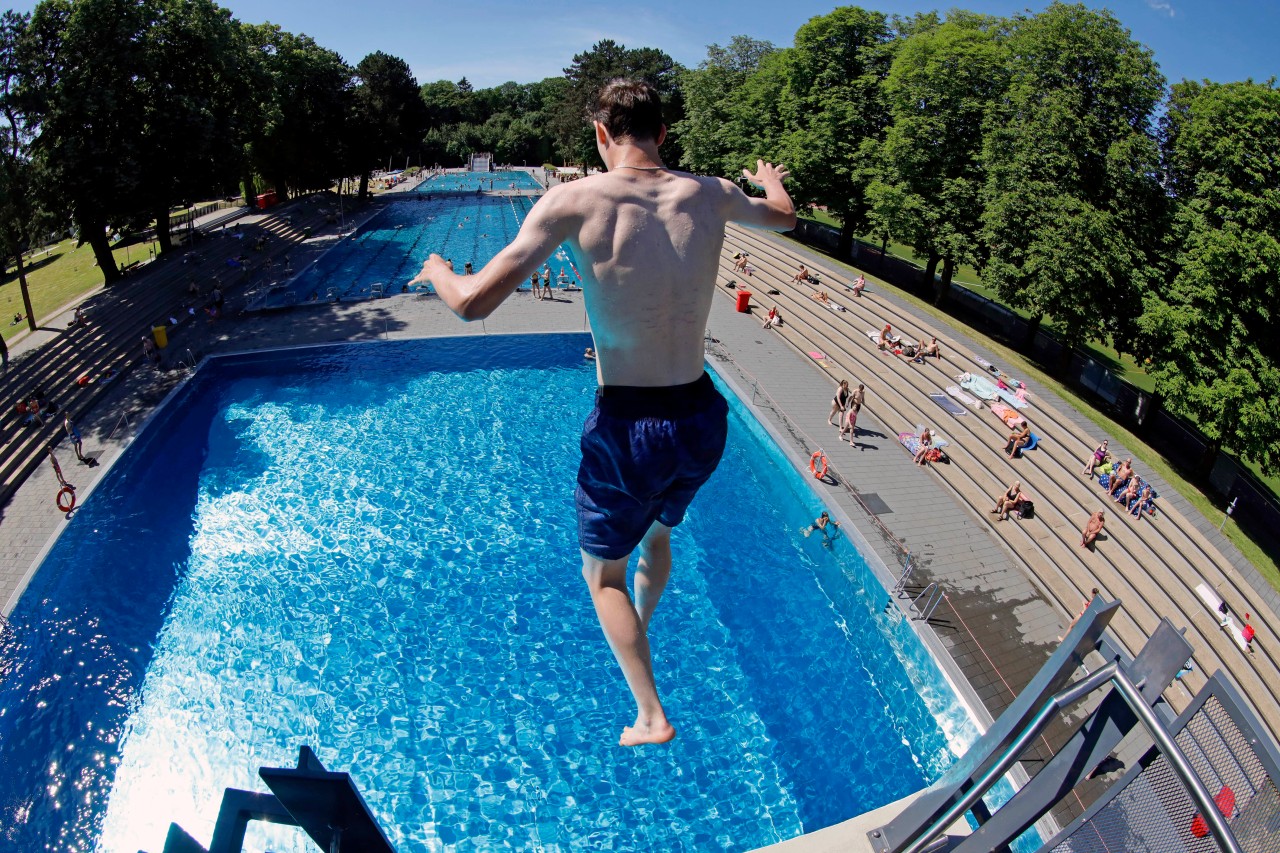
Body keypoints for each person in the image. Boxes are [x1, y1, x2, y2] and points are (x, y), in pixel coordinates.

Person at [408, 78, 795, 747]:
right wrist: (769, 178)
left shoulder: (574, 200)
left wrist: (438, 267)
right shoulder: (712, 193)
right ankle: (644, 618)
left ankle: (650, 714)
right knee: (660, 532)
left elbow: (471, 302)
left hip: (629, 428)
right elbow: (784, 215)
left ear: (599, 135)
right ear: (664, 135)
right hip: (702, 416)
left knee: (600, 576)